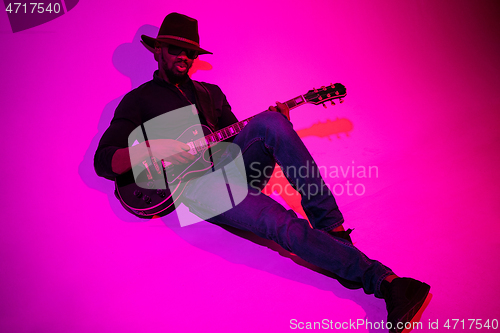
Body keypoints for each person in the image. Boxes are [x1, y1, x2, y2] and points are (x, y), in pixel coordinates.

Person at [94, 12, 430, 333]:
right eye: (175, 49)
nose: (184, 56)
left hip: (230, 165)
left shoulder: (211, 93)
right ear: (157, 51)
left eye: (190, 51)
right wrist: (152, 150)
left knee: (269, 121)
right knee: (278, 223)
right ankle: (388, 283)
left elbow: (236, 137)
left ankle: (334, 233)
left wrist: (277, 121)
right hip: (195, 186)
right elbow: (104, 160)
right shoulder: (137, 100)